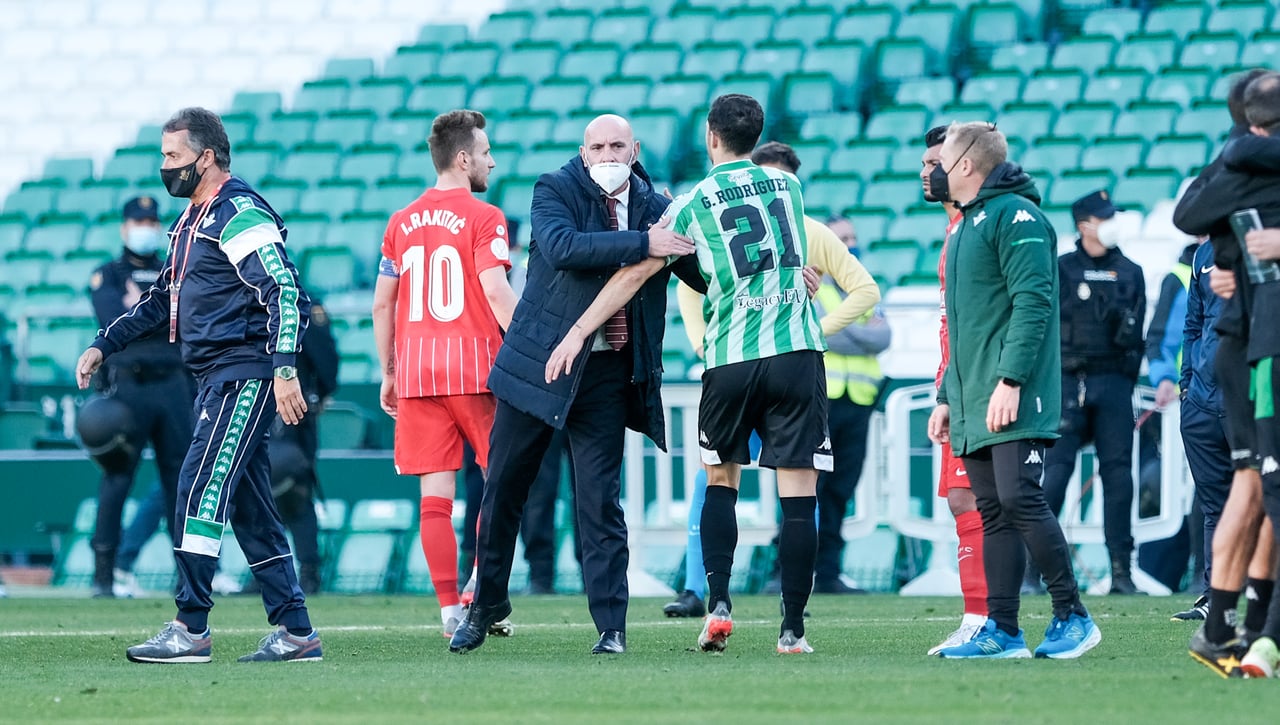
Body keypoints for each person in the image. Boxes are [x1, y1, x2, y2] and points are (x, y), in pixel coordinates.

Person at [546, 95, 832, 655]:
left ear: (710, 136)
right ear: (758, 135)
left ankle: (718, 605)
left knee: (721, 479)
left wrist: (579, 330)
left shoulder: (693, 203)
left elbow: (636, 274)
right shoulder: (790, 188)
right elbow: (791, 259)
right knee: (799, 493)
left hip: (730, 357)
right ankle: (793, 630)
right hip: (798, 349)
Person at [448, 113, 704, 655]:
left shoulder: (658, 207)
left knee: (599, 502)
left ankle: (612, 626)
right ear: (583, 152)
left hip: (608, 371)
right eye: (598, 146)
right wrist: (645, 243)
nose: (608, 154)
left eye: (618, 145)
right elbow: (564, 247)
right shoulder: (554, 188)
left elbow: (698, 272)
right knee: (502, 495)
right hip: (537, 365)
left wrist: (766, 274)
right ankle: (486, 603)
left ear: (634, 150)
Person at [75, 107, 321, 663]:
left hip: (244, 371)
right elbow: (162, 300)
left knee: (195, 485)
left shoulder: (238, 212)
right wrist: (103, 343)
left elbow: (284, 293)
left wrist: (283, 368)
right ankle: (297, 632)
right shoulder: (190, 222)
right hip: (211, 374)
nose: (165, 167)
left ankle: (191, 628)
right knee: (250, 507)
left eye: (172, 156)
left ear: (205, 156)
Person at [663, 141, 880, 617]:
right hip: (793, 366)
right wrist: (810, 332)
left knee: (720, 480)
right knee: (799, 490)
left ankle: (712, 595)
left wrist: (711, 343)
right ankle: (785, 620)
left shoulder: (713, 211)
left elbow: (684, 278)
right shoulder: (805, 230)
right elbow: (866, 290)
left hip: (736, 365)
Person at [928, 121, 1101, 659]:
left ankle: (1074, 615)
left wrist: (1011, 381)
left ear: (965, 166)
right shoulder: (965, 225)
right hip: (972, 394)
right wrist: (947, 398)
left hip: (1012, 392)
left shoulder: (1018, 217)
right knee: (994, 508)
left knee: (1020, 498)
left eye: (940, 162)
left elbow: (1033, 304)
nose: (931, 172)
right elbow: (962, 322)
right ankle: (1002, 630)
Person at [372, 109, 519, 638]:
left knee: (435, 499)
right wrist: (533, 348)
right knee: (502, 484)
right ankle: (481, 592)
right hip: (476, 371)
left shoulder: (400, 221)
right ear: (463, 159)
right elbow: (497, 293)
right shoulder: (485, 217)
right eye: (485, 153)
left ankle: (449, 612)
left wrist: (388, 370)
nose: (491, 161)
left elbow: (382, 305)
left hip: (416, 374)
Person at [1171, 69, 1280, 676]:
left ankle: (1227, 627)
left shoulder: (1233, 171)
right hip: (1256, 342)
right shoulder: (1247, 167)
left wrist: (1235, 148)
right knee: (1262, 483)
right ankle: (1250, 625)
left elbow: (1190, 213)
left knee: (1253, 484)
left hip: (1243, 342)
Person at [1035, 190, 1147, 595]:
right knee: (1056, 476)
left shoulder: (1131, 271)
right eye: (1104, 217)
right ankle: (1036, 571)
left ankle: (1121, 573)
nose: (1111, 222)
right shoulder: (1061, 268)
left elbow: (1137, 339)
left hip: (1114, 383)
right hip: (1067, 383)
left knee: (1119, 478)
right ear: (1084, 225)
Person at [83, 195, 194, 598]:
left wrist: (141, 311)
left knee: (180, 482)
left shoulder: (172, 271)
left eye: (151, 219)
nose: (145, 226)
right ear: (125, 226)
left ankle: (191, 573)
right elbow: (113, 320)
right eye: (139, 220)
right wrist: (157, 317)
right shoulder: (108, 274)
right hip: (128, 386)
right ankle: (104, 574)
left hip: (174, 384)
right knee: (117, 479)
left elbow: (186, 320)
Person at [919, 125, 990, 654]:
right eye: (923, 163)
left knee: (989, 500)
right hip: (959, 388)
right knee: (966, 499)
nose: (926, 171)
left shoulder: (982, 228)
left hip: (985, 386)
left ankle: (987, 617)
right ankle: (983, 616)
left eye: (935, 162)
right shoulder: (953, 232)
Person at [264, 296, 338, 595]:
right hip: (267, 409)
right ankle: (273, 571)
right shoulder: (295, 302)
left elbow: (326, 361)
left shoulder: (301, 304)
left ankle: (306, 571)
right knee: (265, 495)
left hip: (293, 411)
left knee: (295, 491)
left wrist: (316, 394)